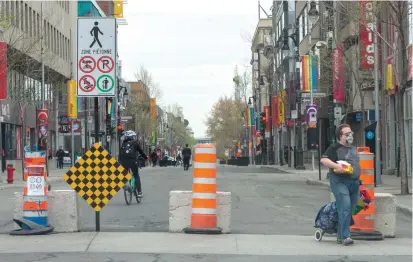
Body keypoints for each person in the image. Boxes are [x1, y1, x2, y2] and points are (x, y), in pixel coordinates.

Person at [320, 124, 360, 246]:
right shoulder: (335, 148)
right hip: (340, 181)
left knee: (351, 208)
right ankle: (345, 236)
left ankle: (337, 230)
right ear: (340, 136)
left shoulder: (353, 148)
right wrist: (337, 166)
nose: (350, 136)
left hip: (354, 182)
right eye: (347, 134)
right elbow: (324, 160)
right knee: (345, 206)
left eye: (351, 133)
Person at [119, 130, 148, 198]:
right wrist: (146, 158)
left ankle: (125, 186)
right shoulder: (135, 143)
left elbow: (120, 154)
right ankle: (139, 192)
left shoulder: (123, 144)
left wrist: (120, 162)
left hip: (124, 162)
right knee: (136, 175)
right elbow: (140, 151)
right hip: (133, 162)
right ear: (132, 137)